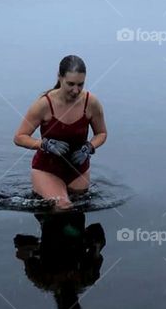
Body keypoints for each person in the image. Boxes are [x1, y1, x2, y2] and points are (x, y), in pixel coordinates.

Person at [13, 55, 107, 209]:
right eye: (70, 84)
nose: (76, 90)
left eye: (80, 84)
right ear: (60, 77)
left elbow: (101, 133)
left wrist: (89, 147)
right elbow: (19, 137)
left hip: (79, 169)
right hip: (47, 169)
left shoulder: (91, 103)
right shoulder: (44, 104)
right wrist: (44, 144)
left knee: (79, 207)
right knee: (63, 206)